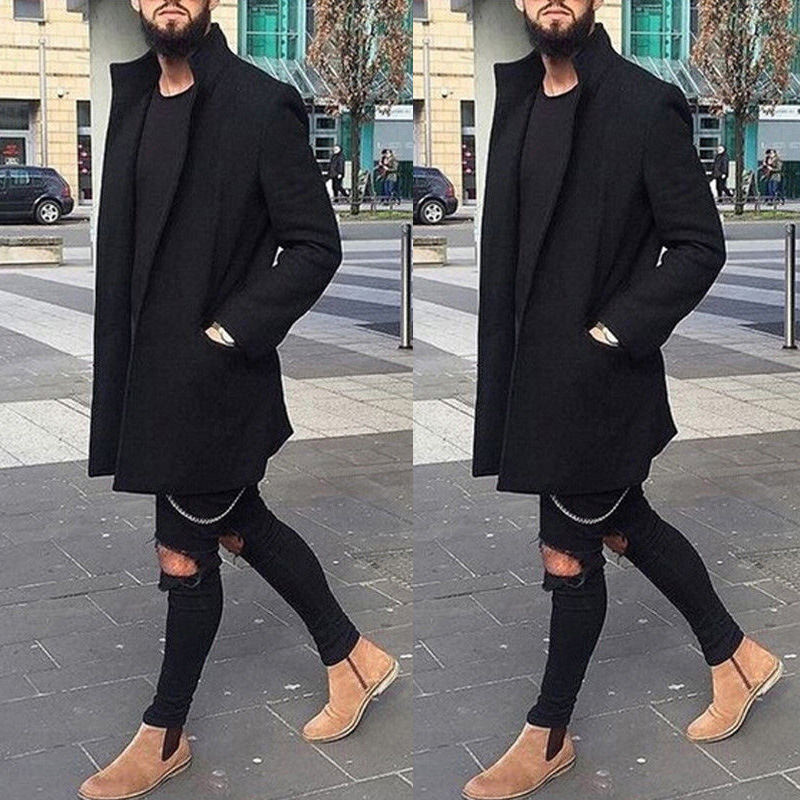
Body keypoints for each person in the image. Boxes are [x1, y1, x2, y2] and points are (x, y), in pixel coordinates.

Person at [78, 3, 398, 799]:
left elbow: (315, 243)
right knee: (239, 523)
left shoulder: (259, 103)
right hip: (148, 381)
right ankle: (354, 658)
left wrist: (229, 332)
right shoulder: (133, 99)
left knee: (183, 554)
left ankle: (164, 733)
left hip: (215, 381)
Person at [465, 2, 783, 798]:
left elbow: (699, 243)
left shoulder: (644, 104)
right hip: (532, 382)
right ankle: (738, 658)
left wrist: (613, 332)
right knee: (625, 524)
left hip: (598, 381)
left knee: (567, 554)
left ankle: (547, 734)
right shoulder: (516, 100)